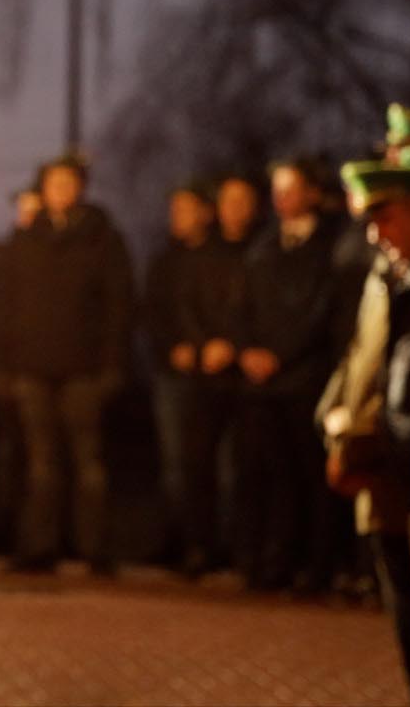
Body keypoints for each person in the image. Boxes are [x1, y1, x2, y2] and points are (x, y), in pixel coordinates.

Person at [319, 149, 410, 707]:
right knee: (402, 605)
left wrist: (360, 439)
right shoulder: (386, 273)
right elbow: (361, 358)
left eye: (387, 216)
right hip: (375, 466)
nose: (376, 233)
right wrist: (334, 418)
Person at [0, 154, 133, 573]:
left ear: (82, 188)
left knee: (89, 462)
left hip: (84, 370)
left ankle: (94, 548)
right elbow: (2, 305)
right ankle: (40, 546)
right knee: (40, 464)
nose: (61, 191)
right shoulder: (24, 240)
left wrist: (112, 364)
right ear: (42, 189)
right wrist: (2, 364)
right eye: (54, 183)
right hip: (31, 369)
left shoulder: (103, 240)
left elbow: (118, 306)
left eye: (69, 183)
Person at [231, 156, 346, 594]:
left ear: (312, 193)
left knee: (311, 478)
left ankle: (316, 568)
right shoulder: (263, 249)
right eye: (276, 189)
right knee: (270, 477)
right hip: (263, 386)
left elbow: (322, 313)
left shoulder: (327, 250)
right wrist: (249, 351)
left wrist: (281, 354)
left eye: (291, 188)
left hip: (304, 379)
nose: (282, 197)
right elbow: (241, 307)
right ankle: (272, 564)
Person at [177, 173, 261, 574]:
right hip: (203, 373)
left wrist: (234, 344)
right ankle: (200, 547)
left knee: (244, 469)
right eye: (228, 200)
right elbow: (185, 302)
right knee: (197, 464)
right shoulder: (200, 253)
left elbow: (261, 308)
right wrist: (201, 344)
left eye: (243, 200)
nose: (235, 209)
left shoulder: (262, 252)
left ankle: (244, 550)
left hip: (245, 374)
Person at [146, 180, 214, 576]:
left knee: (210, 464)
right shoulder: (164, 262)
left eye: (186, 210)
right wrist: (172, 346)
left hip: (215, 372)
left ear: (206, 212)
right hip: (172, 371)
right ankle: (177, 541)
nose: (178, 219)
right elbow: (152, 312)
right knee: (175, 462)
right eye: (174, 211)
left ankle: (209, 544)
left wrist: (211, 346)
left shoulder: (222, 257)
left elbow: (230, 307)